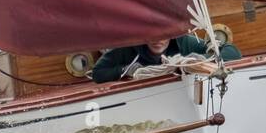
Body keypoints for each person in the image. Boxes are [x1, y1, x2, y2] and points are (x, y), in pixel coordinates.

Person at [92, 32, 241, 83]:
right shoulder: (129, 48)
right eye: (152, 35)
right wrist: (125, 70)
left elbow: (233, 53)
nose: (158, 40)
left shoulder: (185, 42)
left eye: (164, 35)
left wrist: (200, 58)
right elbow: (98, 73)